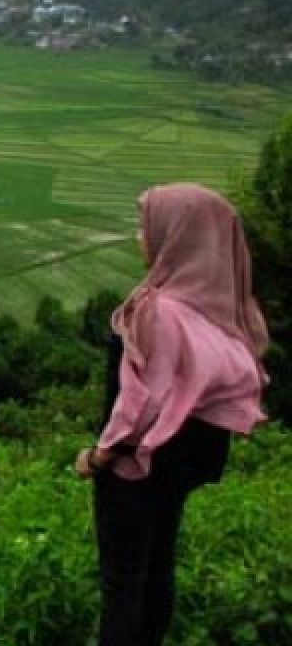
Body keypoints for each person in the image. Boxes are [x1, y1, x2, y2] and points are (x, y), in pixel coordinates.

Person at [74, 183, 269, 646]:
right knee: (157, 567)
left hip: (135, 469)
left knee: (122, 584)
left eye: (148, 229)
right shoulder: (219, 310)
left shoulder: (159, 310)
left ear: (177, 236)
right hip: (180, 466)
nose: (142, 239)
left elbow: (142, 402)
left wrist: (100, 456)